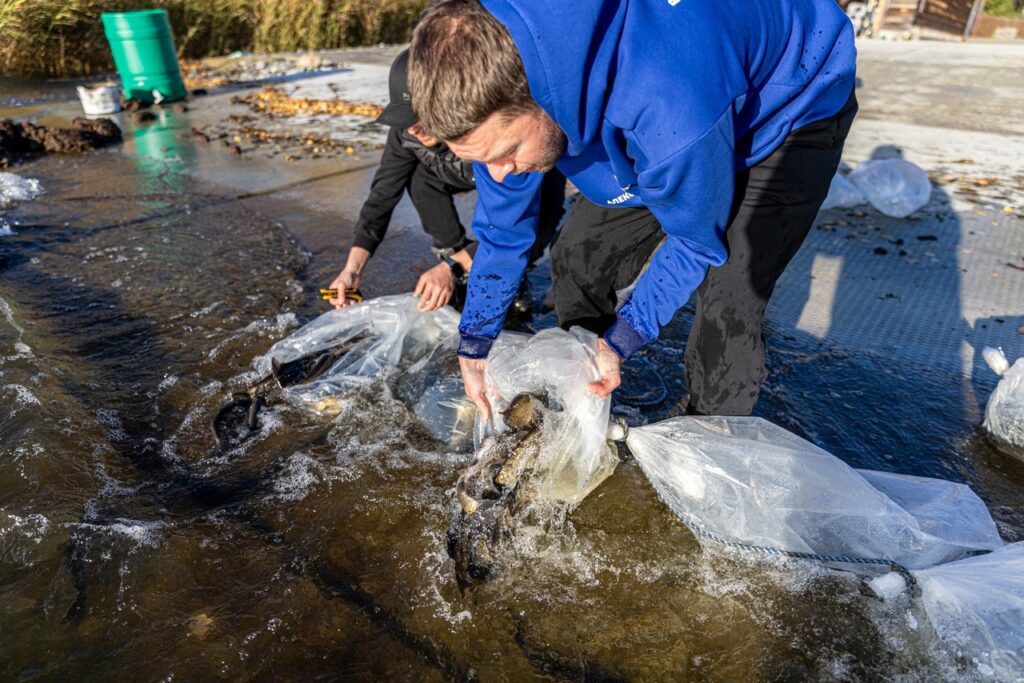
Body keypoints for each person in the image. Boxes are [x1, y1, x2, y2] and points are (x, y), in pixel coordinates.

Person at [408, 0, 858, 419]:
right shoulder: (496, 92)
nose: (500, 174)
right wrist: (475, 340)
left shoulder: (664, 101)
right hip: (676, 115)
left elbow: (693, 240)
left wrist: (624, 338)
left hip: (792, 100)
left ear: (535, 94)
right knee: (579, 257)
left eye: (506, 152)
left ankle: (709, 439)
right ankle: (584, 390)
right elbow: (505, 233)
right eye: (481, 160)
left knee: (729, 302)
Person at [327, 48, 565, 312]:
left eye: (417, 116)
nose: (412, 128)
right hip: (458, 172)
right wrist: (352, 270)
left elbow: (520, 225)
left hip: (531, 192)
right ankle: (453, 256)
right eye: (405, 119)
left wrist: (450, 269)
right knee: (416, 175)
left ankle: (507, 276)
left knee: (526, 233)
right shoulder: (407, 133)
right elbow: (382, 197)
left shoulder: (491, 133)